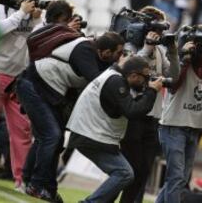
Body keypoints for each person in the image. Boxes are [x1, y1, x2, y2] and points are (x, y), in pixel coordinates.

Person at [16, 0, 125, 202]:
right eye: (117, 54)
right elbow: (97, 82)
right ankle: (37, 185)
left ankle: (42, 185)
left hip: (47, 89)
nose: (119, 58)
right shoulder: (85, 50)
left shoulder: (97, 54)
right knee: (52, 136)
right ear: (105, 51)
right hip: (33, 83)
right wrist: (122, 71)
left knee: (51, 140)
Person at [67, 56, 162, 203]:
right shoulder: (116, 82)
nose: (146, 82)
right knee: (124, 173)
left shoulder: (114, 77)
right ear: (133, 75)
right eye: (145, 78)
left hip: (89, 134)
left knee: (124, 173)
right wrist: (151, 91)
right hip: (90, 136)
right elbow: (132, 111)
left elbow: (127, 106)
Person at [155, 24, 202, 203]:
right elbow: (173, 86)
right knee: (177, 178)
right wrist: (184, 58)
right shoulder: (180, 61)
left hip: (194, 128)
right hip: (174, 126)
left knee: (179, 179)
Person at [120, 6, 180, 203]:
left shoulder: (162, 52)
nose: (160, 33)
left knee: (144, 169)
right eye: (156, 28)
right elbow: (127, 69)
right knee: (131, 168)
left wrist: (172, 52)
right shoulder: (131, 46)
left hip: (153, 116)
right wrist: (147, 47)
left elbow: (173, 78)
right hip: (134, 114)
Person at [0, 0, 42, 190]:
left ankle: (22, 181)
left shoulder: (34, 8)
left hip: (19, 77)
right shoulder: (0, 2)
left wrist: (35, 21)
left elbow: (30, 40)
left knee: (22, 130)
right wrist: (21, 13)